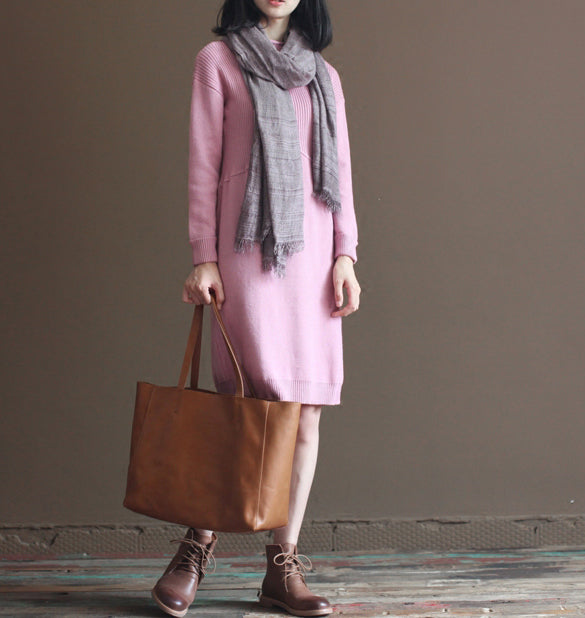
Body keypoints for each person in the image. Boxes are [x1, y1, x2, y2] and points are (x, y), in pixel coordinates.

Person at [151, 0, 360, 616]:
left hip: (314, 252)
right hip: (246, 247)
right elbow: (204, 164)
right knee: (240, 405)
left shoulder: (325, 75)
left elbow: (341, 172)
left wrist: (345, 255)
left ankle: (281, 565)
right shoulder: (217, 61)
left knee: (305, 413)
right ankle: (196, 546)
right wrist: (204, 255)